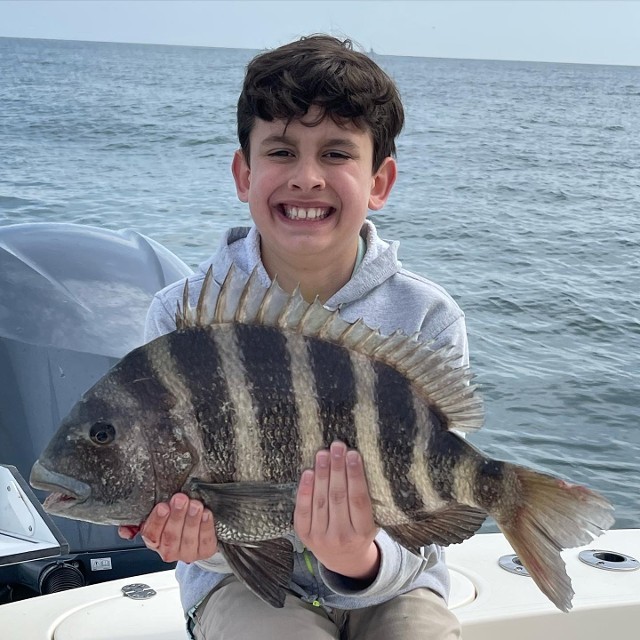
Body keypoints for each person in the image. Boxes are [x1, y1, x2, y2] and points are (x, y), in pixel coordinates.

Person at [119, 34, 466, 640]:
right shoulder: (177, 316)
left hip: (395, 582)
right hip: (242, 585)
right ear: (243, 172)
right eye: (281, 151)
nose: (307, 178)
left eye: (336, 153)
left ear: (379, 181)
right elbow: (208, 540)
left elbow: (431, 514)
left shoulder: (426, 316)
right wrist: (198, 543)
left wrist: (357, 558)